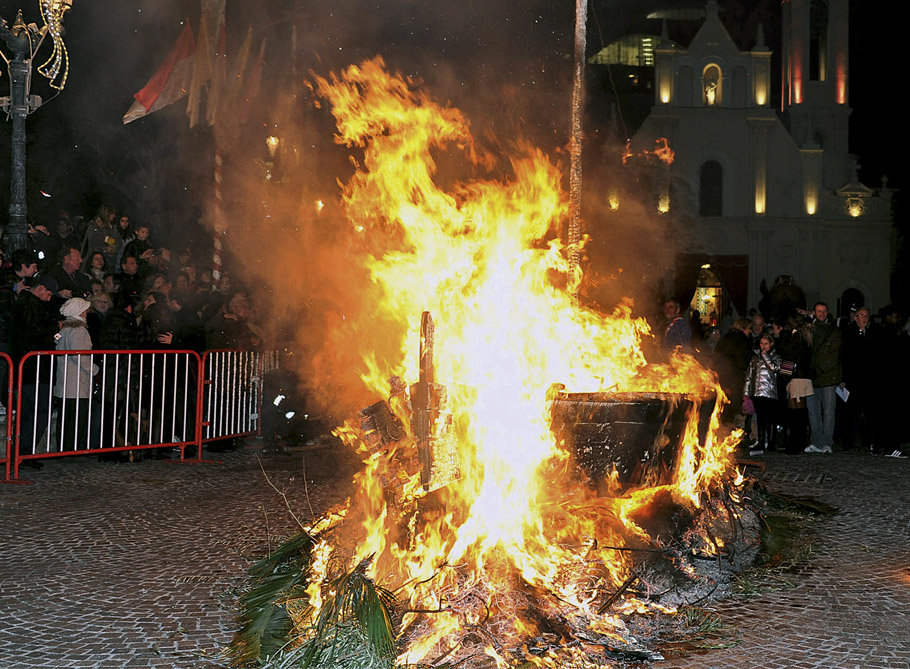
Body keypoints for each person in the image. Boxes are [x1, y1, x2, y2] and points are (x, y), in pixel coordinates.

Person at [53, 297, 98, 451]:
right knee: (76, 419)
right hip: (76, 383)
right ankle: (71, 449)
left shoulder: (63, 329)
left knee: (65, 418)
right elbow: (80, 356)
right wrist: (95, 371)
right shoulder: (79, 331)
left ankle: (64, 448)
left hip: (65, 382)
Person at [805, 301, 842, 454]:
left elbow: (834, 353)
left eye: (824, 311)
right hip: (812, 376)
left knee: (828, 411)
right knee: (813, 410)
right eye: (819, 311)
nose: (822, 314)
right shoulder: (808, 329)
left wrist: (819, 368)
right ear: (814, 312)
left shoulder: (834, 330)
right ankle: (816, 442)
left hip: (828, 376)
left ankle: (827, 443)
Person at [840, 307, 878, 452]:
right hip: (852, 379)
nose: (864, 318)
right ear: (856, 318)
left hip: (868, 380)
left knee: (869, 412)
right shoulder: (849, 333)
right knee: (849, 412)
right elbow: (845, 356)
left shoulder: (873, 333)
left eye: (866, 316)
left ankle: (867, 440)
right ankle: (847, 441)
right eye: (861, 316)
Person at [776, 314, 814, 453]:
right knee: (797, 409)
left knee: (797, 409)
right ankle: (796, 442)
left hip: (797, 375)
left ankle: (796, 443)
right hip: (798, 375)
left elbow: (788, 353)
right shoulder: (803, 336)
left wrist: (784, 336)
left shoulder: (797, 337)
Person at [744, 332, 782, 455]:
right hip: (757, 393)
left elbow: (775, 368)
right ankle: (761, 442)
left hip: (770, 393)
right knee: (760, 418)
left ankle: (771, 443)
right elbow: (749, 376)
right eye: (762, 343)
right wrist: (746, 392)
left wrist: (766, 356)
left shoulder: (776, 356)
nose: (763, 346)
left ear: (771, 344)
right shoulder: (754, 357)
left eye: (766, 344)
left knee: (771, 419)